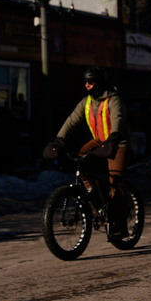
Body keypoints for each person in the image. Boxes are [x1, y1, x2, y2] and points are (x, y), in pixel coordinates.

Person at [45, 66, 131, 240]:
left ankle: (119, 225)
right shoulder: (86, 102)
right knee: (79, 163)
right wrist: (59, 140)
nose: (86, 85)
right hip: (98, 141)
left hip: (117, 143)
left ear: (99, 83)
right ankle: (94, 200)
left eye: (90, 82)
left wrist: (113, 139)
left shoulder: (114, 100)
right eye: (85, 82)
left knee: (116, 180)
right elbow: (71, 121)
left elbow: (118, 121)